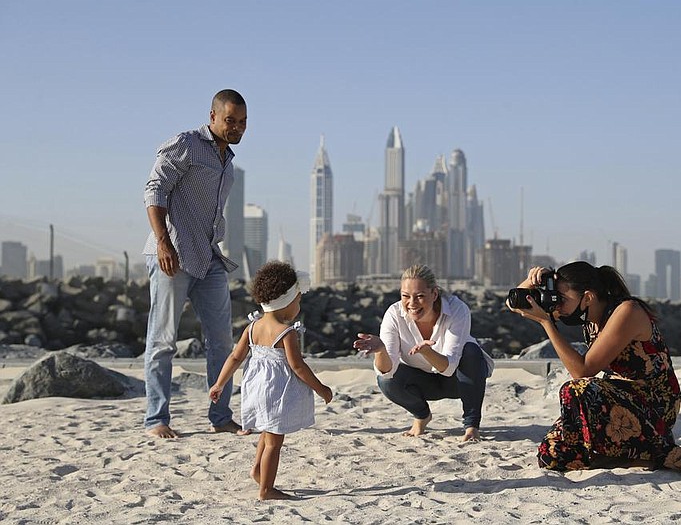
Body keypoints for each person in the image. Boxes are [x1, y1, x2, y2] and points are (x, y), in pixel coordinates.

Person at [508, 261, 681, 473]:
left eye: (561, 299)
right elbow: (516, 305)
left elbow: (582, 371)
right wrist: (533, 281)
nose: (557, 305)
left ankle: (653, 450)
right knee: (552, 455)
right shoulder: (587, 313)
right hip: (616, 398)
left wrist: (546, 323)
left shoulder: (627, 311)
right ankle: (633, 458)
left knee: (575, 389)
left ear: (587, 297)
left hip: (654, 403)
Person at [142, 89, 248, 439]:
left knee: (222, 342)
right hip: (172, 254)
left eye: (242, 123)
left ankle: (220, 417)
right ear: (213, 116)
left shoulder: (227, 160)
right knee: (163, 341)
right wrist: (163, 243)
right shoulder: (186, 144)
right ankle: (156, 419)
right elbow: (154, 190)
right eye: (230, 120)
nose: (236, 128)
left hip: (209, 257)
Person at [209, 261, 333, 500]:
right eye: (298, 300)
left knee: (266, 433)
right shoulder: (287, 333)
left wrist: (219, 383)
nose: (298, 305)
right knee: (275, 442)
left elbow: (235, 357)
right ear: (286, 302)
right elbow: (298, 367)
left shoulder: (252, 326)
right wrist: (321, 389)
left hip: (256, 388)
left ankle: (257, 470)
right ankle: (266, 489)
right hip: (277, 392)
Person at [354, 264, 494, 442]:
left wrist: (427, 351)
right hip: (422, 382)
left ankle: (472, 426)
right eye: (406, 296)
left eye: (420, 296)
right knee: (386, 381)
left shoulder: (457, 309)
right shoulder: (394, 314)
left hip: (459, 380)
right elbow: (387, 371)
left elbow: (449, 367)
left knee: (472, 351)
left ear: (434, 294)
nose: (412, 304)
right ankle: (422, 416)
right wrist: (380, 350)